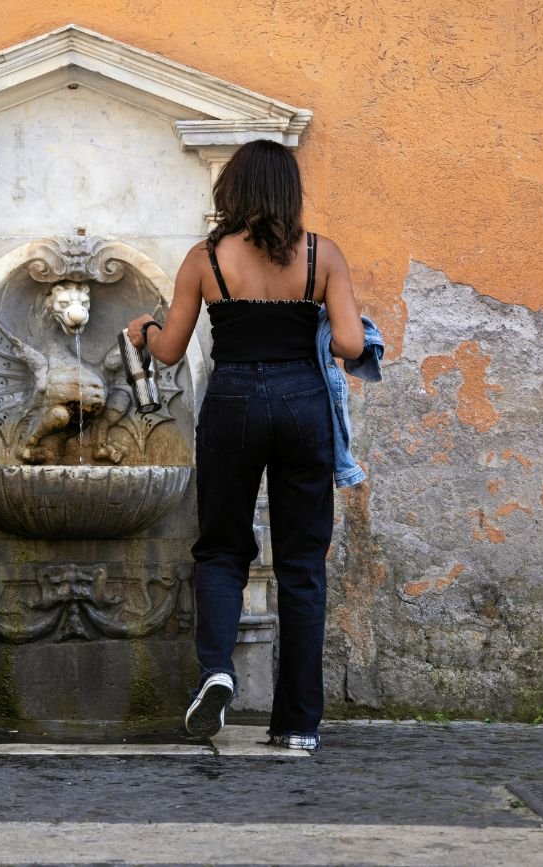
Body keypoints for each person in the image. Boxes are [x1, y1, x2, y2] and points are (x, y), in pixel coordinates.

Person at [128, 140, 366, 750]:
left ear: (230, 191)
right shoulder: (323, 255)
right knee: (301, 565)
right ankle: (297, 727)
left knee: (222, 549)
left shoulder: (205, 258)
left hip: (232, 401)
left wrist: (145, 328)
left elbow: (169, 351)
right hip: (303, 403)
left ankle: (217, 672)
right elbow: (349, 346)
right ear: (289, 191)